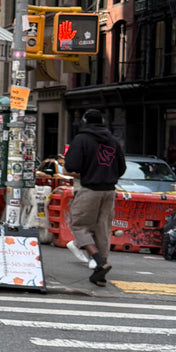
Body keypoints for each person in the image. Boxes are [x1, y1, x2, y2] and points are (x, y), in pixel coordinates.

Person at [64, 108, 126, 287]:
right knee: (102, 229)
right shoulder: (113, 141)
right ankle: (100, 275)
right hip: (109, 191)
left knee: (79, 224)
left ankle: (99, 261)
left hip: (90, 188)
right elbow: (121, 168)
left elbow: (72, 165)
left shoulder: (82, 139)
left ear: (84, 121)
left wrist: (88, 169)